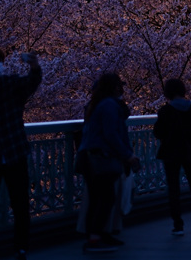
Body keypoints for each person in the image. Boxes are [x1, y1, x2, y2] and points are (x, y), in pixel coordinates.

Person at [0, 45, 42, 260]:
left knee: (20, 203)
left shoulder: (10, 84)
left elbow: (32, 82)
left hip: (14, 151)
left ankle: (21, 247)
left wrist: (34, 66)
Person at [78, 73, 139, 252]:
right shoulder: (109, 106)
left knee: (98, 198)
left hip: (90, 156)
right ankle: (96, 238)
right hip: (100, 157)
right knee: (105, 198)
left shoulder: (99, 104)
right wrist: (127, 155)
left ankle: (96, 235)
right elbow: (111, 134)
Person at [154, 78, 191, 235]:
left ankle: (178, 225)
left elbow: (158, 132)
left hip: (171, 152)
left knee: (174, 189)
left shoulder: (165, 111)